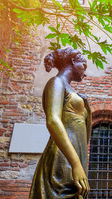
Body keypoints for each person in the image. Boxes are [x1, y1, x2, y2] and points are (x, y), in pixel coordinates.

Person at [29, 48, 91, 199]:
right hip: (61, 158)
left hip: (76, 157)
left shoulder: (75, 92)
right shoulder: (56, 82)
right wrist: (76, 164)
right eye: (84, 65)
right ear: (73, 61)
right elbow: (53, 121)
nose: (85, 71)